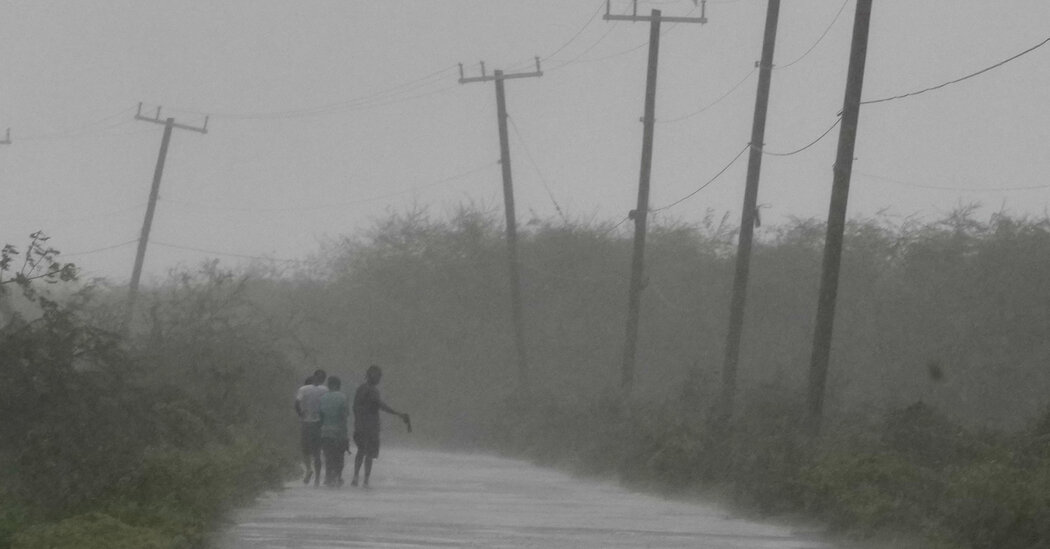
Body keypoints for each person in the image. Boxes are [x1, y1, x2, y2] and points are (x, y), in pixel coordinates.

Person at [351, 365, 409, 487]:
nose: (379, 379)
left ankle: (356, 477)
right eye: (378, 376)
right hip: (370, 426)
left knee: (362, 451)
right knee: (369, 454)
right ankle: (365, 480)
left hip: (362, 425)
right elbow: (380, 405)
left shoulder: (361, 389)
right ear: (372, 376)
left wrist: (358, 421)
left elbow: (356, 407)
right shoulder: (371, 390)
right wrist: (398, 414)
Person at [294, 369, 328, 486]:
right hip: (318, 424)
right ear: (324, 379)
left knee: (306, 450)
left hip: (306, 423)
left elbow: (297, 403)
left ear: (313, 376)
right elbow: (327, 405)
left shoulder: (303, 389)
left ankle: (309, 469)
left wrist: (300, 413)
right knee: (317, 452)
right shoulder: (325, 390)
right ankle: (317, 479)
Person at [318, 375, 350, 487]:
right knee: (339, 456)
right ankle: (338, 477)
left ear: (329, 385)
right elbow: (344, 417)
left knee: (328, 456)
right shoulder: (342, 397)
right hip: (338, 432)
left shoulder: (322, 398)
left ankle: (328, 477)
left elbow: (320, 416)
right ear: (338, 385)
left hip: (325, 432)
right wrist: (345, 435)